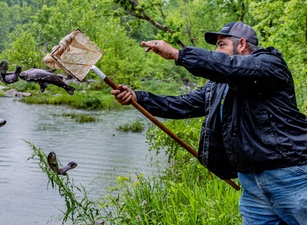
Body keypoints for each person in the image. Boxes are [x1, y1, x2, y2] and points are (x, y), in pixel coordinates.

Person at [111, 21, 307, 224]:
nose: (216, 51)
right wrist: (138, 97)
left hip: (291, 174)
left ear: (241, 44)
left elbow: (230, 67)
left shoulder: (268, 65)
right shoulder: (219, 86)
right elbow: (182, 105)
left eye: (221, 45)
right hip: (252, 182)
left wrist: (179, 54)